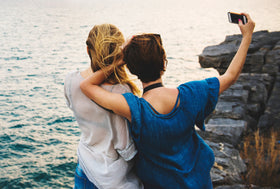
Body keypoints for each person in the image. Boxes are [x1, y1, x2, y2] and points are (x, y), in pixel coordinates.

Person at [80, 14, 255, 188]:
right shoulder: (191, 95)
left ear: (132, 69)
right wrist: (247, 36)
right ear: (164, 63)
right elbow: (230, 76)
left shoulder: (135, 109)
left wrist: (119, 61)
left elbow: (87, 86)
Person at [64, 24, 143, 188]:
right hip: (114, 179)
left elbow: (73, 105)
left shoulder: (71, 80)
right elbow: (125, 147)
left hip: (84, 169)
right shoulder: (120, 91)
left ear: (88, 50)